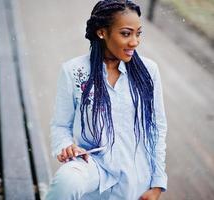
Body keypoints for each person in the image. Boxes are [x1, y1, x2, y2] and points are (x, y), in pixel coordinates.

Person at [46, 0, 168, 199]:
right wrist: (66, 146)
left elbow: (157, 128)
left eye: (138, 33)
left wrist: (157, 184)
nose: (134, 42)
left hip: (135, 173)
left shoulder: (149, 71)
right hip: (93, 166)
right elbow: (60, 125)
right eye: (126, 33)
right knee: (66, 181)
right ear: (102, 32)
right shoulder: (74, 71)